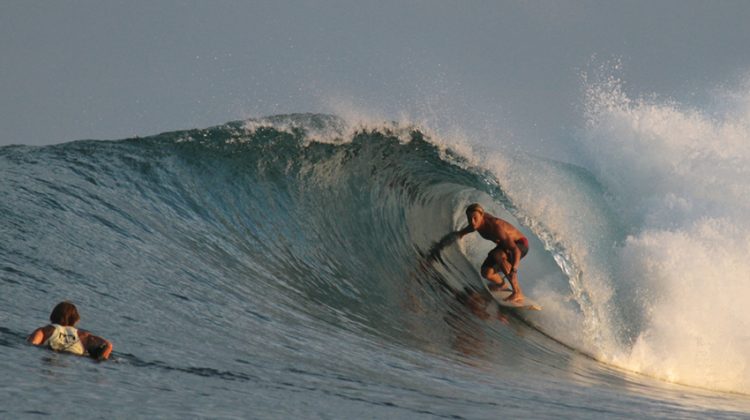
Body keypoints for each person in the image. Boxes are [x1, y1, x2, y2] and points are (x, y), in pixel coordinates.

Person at [454, 203, 530, 303]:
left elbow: (515, 250)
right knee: (486, 272)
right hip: (505, 246)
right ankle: (502, 285)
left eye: (475, 218)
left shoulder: (495, 226)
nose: (472, 221)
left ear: (482, 215)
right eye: (469, 218)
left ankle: (517, 292)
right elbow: (460, 234)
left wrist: (514, 269)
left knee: (498, 255)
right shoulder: (475, 224)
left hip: (520, 244)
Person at [27, 301, 113, 361]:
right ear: (75, 319)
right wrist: (99, 360)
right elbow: (108, 345)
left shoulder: (45, 330)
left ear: (53, 315)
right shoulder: (83, 336)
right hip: (73, 360)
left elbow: (31, 344)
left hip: (50, 352)